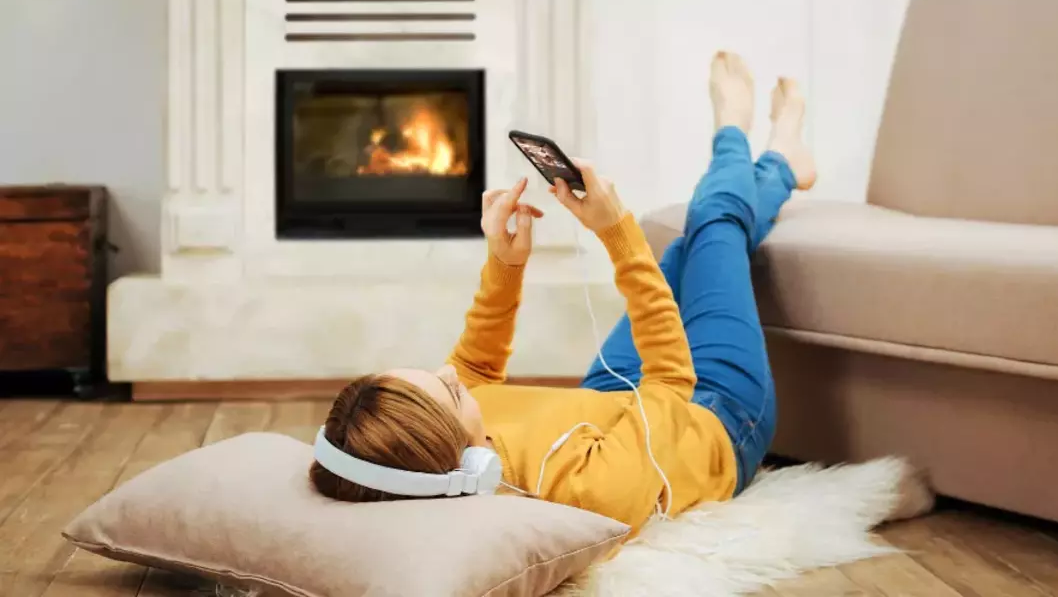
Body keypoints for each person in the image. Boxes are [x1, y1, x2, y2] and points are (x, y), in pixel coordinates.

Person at [310, 51, 818, 536]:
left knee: (689, 249)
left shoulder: (450, 437)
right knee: (712, 221)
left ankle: (782, 166)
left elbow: (476, 370)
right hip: (716, 411)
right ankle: (739, 137)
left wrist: (506, 263)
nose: (451, 373)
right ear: (470, 464)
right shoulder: (589, 492)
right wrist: (614, 229)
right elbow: (670, 379)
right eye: (452, 392)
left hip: (610, 399)